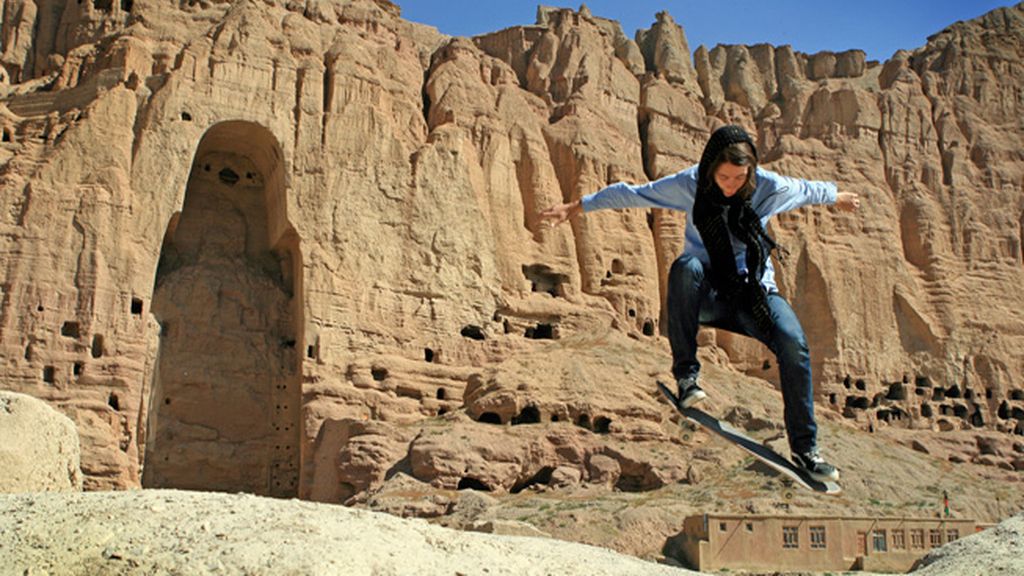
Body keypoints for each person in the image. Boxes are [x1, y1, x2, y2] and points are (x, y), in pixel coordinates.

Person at [538, 125, 859, 482]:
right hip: (707, 295)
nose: (732, 184)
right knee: (685, 267)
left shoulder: (769, 187)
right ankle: (687, 379)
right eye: (724, 176)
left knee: (794, 343)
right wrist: (577, 206)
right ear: (710, 168)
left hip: (752, 297)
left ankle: (805, 450)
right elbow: (636, 194)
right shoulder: (689, 184)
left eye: (740, 177)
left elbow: (806, 190)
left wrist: (837, 195)